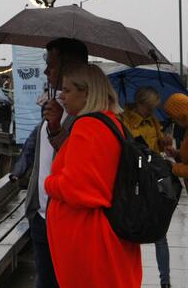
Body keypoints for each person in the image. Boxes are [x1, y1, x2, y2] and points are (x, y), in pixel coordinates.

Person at [44, 63, 141, 287]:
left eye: (67, 90)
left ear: (86, 92)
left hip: (89, 241)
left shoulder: (88, 125)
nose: (62, 97)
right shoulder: (112, 122)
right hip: (105, 235)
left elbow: (77, 189)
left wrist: (49, 183)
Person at [23, 38, 88, 288]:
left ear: (69, 66)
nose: (45, 71)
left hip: (66, 221)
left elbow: (77, 164)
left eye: (51, 65)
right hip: (41, 216)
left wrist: (58, 127)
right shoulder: (55, 105)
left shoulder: (85, 112)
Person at [120, 87, 173, 288]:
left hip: (152, 179)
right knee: (131, 232)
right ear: (141, 104)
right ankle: (129, 279)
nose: (152, 112)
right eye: (149, 108)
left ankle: (165, 281)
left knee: (161, 233)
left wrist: (164, 143)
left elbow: (158, 148)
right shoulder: (126, 121)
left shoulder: (152, 121)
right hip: (134, 181)